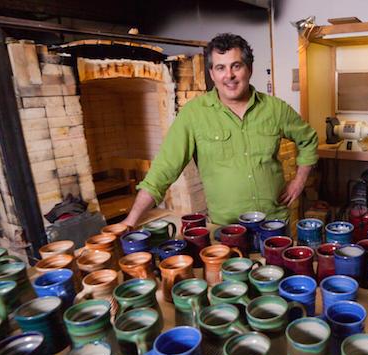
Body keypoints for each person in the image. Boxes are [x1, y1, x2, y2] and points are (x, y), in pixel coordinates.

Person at [123, 33, 318, 227]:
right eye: (220, 68)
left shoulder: (275, 109)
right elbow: (163, 170)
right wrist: (131, 222)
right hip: (227, 229)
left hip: (274, 224)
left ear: (249, 69)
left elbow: (308, 139)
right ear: (212, 74)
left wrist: (299, 181)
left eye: (236, 66)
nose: (229, 76)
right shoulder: (193, 114)